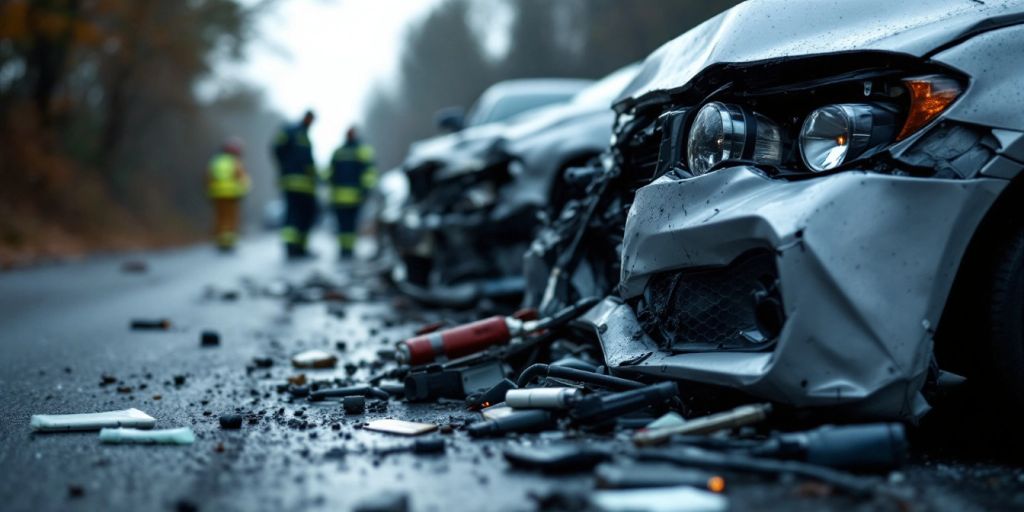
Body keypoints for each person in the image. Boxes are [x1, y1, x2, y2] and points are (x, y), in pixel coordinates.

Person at [272, 110, 318, 258]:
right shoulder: (291, 131)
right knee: (293, 213)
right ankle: (291, 247)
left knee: (307, 214)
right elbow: (276, 147)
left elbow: (309, 162)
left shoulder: (305, 135)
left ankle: (300, 247)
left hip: (306, 185)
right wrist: (285, 166)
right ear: (306, 118)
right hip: (293, 182)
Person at [326, 126, 377, 259]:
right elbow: (370, 173)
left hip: (338, 197)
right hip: (354, 197)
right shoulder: (362, 151)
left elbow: (328, 174)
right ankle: (348, 250)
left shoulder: (338, 152)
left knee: (343, 225)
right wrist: (366, 190)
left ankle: (344, 250)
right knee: (351, 224)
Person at [207, 137, 250, 251]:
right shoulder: (235, 162)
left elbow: (208, 178)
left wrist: (210, 193)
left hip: (217, 195)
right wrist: (243, 191)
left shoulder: (216, 161)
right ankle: (229, 242)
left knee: (220, 218)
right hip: (232, 195)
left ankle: (220, 241)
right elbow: (242, 179)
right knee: (231, 218)